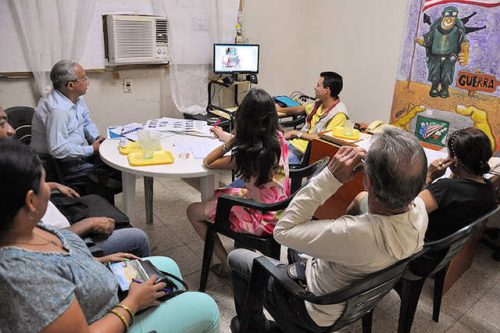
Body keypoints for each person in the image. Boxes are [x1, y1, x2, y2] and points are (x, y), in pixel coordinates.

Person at [0, 140, 220, 333]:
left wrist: (98, 262)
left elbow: (60, 262)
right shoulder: (25, 276)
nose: (49, 189)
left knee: (166, 265)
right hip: (107, 318)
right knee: (205, 307)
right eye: (44, 183)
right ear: (30, 201)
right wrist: (132, 303)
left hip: (102, 296)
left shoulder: (26, 227)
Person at [228, 127, 429, 332]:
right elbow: (362, 203)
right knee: (297, 247)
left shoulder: (353, 233)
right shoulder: (420, 212)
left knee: (237, 258)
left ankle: (255, 327)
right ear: (418, 185)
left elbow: (283, 230)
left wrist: (330, 176)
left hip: (316, 309)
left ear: (367, 181)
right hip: (350, 300)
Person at [0, 107, 150, 257]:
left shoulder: (9, 169)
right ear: (31, 200)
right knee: (138, 238)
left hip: (60, 219)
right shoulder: (58, 110)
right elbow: (40, 243)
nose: (12, 130)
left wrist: (54, 185)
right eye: (2, 124)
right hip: (69, 237)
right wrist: (88, 225)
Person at [187, 88, 290, 277]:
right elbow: (252, 143)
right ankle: (241, 250)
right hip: (280, 209)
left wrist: (230, 142)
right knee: (219, 193)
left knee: (193, 211)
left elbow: (208, 162)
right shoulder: (278, 138)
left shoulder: (249, 154)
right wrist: (226, 136)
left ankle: (227, 265)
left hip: (262, 218)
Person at [30, 60, 120, 198]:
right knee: (104, 176)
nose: (87, 82)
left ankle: (107, 208)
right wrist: (91, 150)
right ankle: (100, 210)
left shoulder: (75, 98)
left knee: (116, 161)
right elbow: (58, 150)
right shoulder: (58, 110)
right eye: (83, 78)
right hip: (58, 164)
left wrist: (96, 139)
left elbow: (86, 122)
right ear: (70, 85)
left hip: (76, 154)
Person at [419, 127, 496, 240]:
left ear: (455, 160)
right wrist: (456, 173)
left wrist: (429, 176)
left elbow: (409, 211)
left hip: (419, 247)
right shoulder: (489, 188)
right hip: (443, 250)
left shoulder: (445, 188)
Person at [277, 71, 348, 164]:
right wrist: (279, 109)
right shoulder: (319, 104)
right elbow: (301, 109)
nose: (315, 88)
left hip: (303, 153)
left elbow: (324, 140)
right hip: (293, 144)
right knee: (261, 150)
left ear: (327, 90)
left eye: (318, 85)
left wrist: (295, 133)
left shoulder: (339, 114)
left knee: (269, 161)